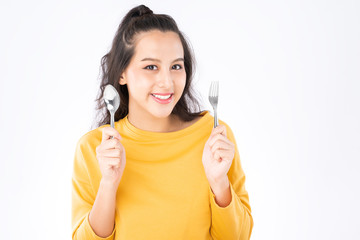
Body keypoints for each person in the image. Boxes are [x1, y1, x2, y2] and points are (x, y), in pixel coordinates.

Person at [71, 4, 253, 240]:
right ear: (121, 74)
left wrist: (219, 183)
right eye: (151, 67)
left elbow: (237, 237)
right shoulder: (95, 147)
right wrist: (108, 184)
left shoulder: (215, 136)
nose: (167, 82)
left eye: (176, 66)